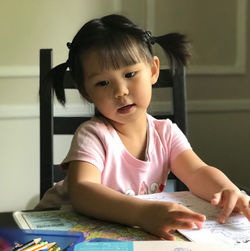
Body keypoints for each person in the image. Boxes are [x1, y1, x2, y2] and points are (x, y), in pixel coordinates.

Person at [36, 14, 250, 240]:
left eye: (130, 74)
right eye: (103, 83)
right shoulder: (93, 135)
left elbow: (197, 172)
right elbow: (83, 191)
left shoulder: (165, 133)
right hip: (53, 231)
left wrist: (228, 190)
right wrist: (142, 213)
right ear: (87, 92)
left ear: (153, 70)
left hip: (118, 232)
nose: (120, 91)